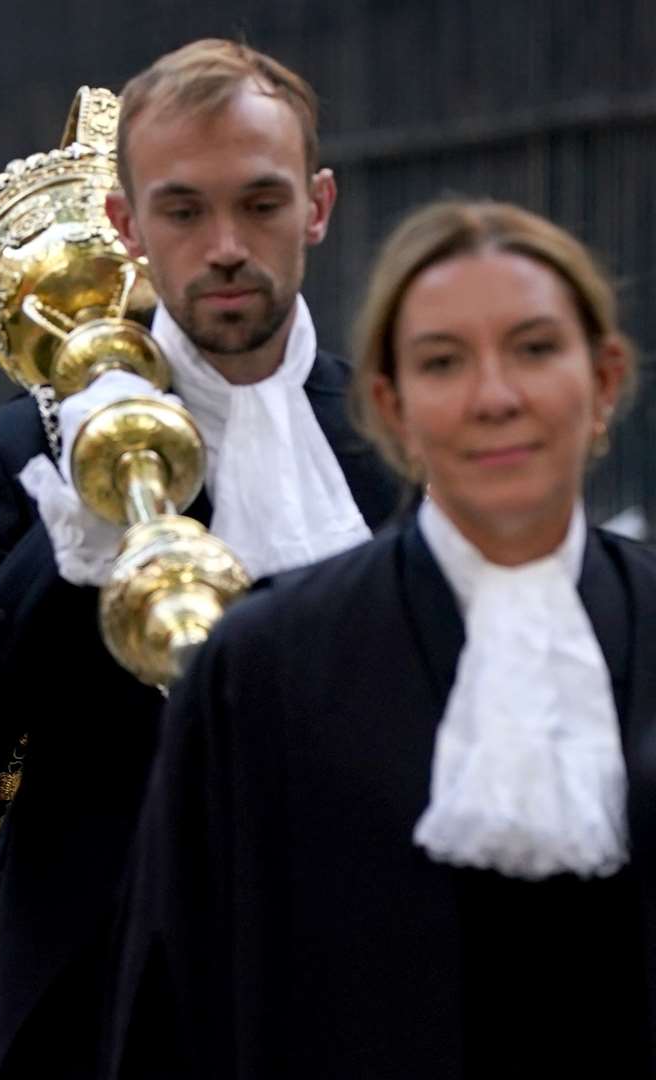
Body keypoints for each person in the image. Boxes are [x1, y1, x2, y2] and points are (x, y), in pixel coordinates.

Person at [0, 39, 402, 1080]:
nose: (224, 246)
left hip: (373, 992)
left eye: (260, 204)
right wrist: (66, 540)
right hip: (116, 1013)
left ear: (318, 206)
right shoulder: (21, 449)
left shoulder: (402, 437)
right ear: (124, 225)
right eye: (182, 209)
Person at [139, 198, 653, 1078]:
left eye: (534, 349)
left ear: (604, 380)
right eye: (443, 362)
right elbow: (180, 1004)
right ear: (392, 403)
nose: (495, 398)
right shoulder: (263, 665)